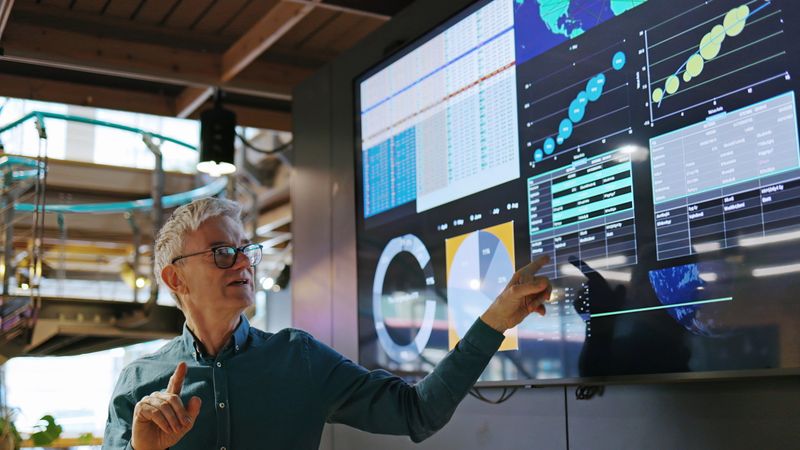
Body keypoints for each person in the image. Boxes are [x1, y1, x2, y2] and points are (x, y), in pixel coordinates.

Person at [103, 197, 552, 450]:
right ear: (175, 277)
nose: (242, 262)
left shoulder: (298, 358)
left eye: (246, 250)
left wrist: (494, 321)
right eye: (223, 253)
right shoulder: (139, 384)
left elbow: (418, 412)